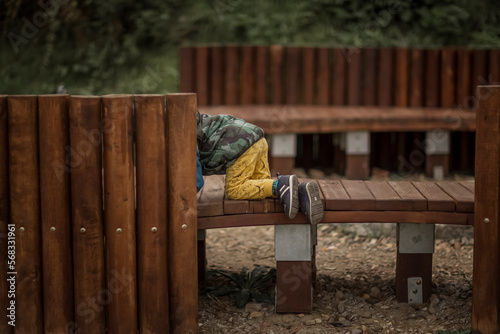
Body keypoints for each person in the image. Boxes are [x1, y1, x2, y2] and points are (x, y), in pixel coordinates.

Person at [196, 111, 323, 224]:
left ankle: (281, 185)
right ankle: (300, 192)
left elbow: (195, 180)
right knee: (259, 187)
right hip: (257, 139)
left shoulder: (185, 134)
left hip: (239, 145)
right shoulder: (193, 120)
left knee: (235, 189)